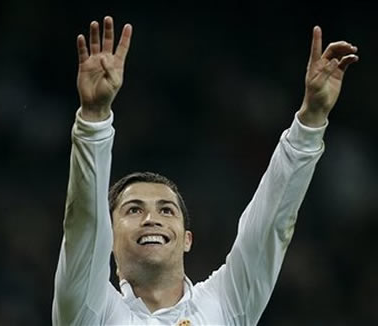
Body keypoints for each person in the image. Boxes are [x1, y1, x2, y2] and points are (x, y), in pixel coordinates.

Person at [52, 16, 359, 325]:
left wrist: (310, 120)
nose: (151, 219)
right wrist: (93, 119)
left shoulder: (224, 305)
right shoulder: (89, 311)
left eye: (167, 210)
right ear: (109, 238)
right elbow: (84, 223)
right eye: (133, 210)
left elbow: (271, 223)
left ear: (187, 239)